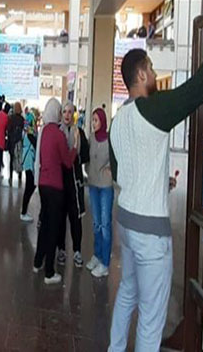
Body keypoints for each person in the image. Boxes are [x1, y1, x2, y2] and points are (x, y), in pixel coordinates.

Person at [107, 4, 203, 352]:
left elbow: (122, 172)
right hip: (150, 232)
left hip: (127, 222)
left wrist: (157, 182)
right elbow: (198, 88)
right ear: (141, 75)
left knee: (127, 294)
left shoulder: (119, 120)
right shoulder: (155, 109)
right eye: (150, 68)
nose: (152, 73)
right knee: (151, 318)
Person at [32, 98, 78, 285]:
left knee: (44, 225)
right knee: (53, 229)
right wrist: (74, 147)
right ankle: (49, 272)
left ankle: (37, 262)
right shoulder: (58, 134)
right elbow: (67, 162)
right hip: (55, 187)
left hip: (43, 184)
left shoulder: (43, 132)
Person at [57, 101, 89, 269]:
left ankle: (77, 250)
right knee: (61, 218)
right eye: (65, 112)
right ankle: (61, 249)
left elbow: (84, 156)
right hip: (60, 182)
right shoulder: (58, 132)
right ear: (61, 114)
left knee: (76, 219)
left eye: (70, 112)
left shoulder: (80, 133)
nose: (67, 115)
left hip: (75, 183)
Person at [84, 107, 113, 278]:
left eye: (96, 120)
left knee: (105, 225)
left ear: (102, 121)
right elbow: (87, 158)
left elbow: (117, 159)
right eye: (92, 120)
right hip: (93, 184)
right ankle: (97, 254)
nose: (93, 123)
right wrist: (88, 170)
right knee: (96, 223)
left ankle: (105, 262)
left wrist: (111, 169)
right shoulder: (91, 139)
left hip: (106, 186)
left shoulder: (110, 140)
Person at [19, 115, 37, 222]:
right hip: (29, 161)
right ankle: (24, 212)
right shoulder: (30, 134)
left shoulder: (25, 132)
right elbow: (36, 145)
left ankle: (24, 210)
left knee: (30, 186)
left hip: (27, 161)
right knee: (30, 186)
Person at [7, 102, 25, 187]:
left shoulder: (11, 118)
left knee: (11, 159)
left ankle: (10, 176)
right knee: (19, 159)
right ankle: (20, 177)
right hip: (19, 142)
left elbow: (8, 130)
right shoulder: (22, 119)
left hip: (12, 142)